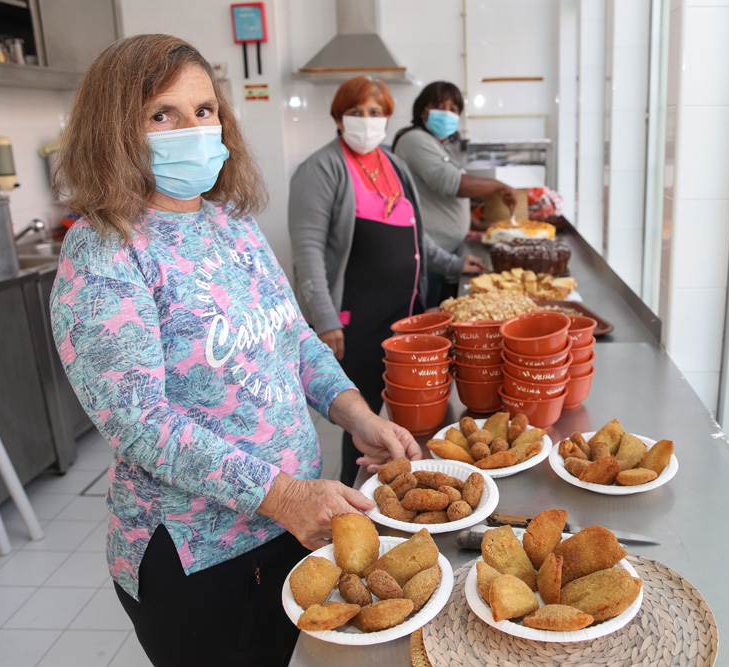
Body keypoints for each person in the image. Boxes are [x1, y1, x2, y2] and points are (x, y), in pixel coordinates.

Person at [49, 35, 421, 667]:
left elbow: (294, 338)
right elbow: (142, 424)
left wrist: (358, 415)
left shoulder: (230, 223)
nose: (191, 128)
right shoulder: (105, 250)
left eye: (203, 110)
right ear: (114, 131)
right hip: (202, 557)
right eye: (161, 114)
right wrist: (280, 494)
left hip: (291, 526)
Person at [288, 76, 483, 487]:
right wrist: (324, 320)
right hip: (354, 323)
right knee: (361, 422)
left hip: (404, 315)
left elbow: (416, 236)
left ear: (388, 117)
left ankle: (406, 486)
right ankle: (355, 498)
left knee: (406, 414)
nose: (366, 120)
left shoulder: (393, 164)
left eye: (375, 113)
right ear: (338, 117)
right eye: (356, 112)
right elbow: (307, 252)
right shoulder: (321, 168)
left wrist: (453, 265)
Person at [392, 81, 518, 303]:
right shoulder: (414, 140)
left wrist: (474, 224)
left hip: (444, 254)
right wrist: (498, 186)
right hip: (428, 254)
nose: (448, 114)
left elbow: (442, 195)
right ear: (423, 110)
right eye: (441, 107)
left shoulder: (439, 144)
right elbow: (450, 183)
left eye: (454, 109)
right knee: (428, 316)